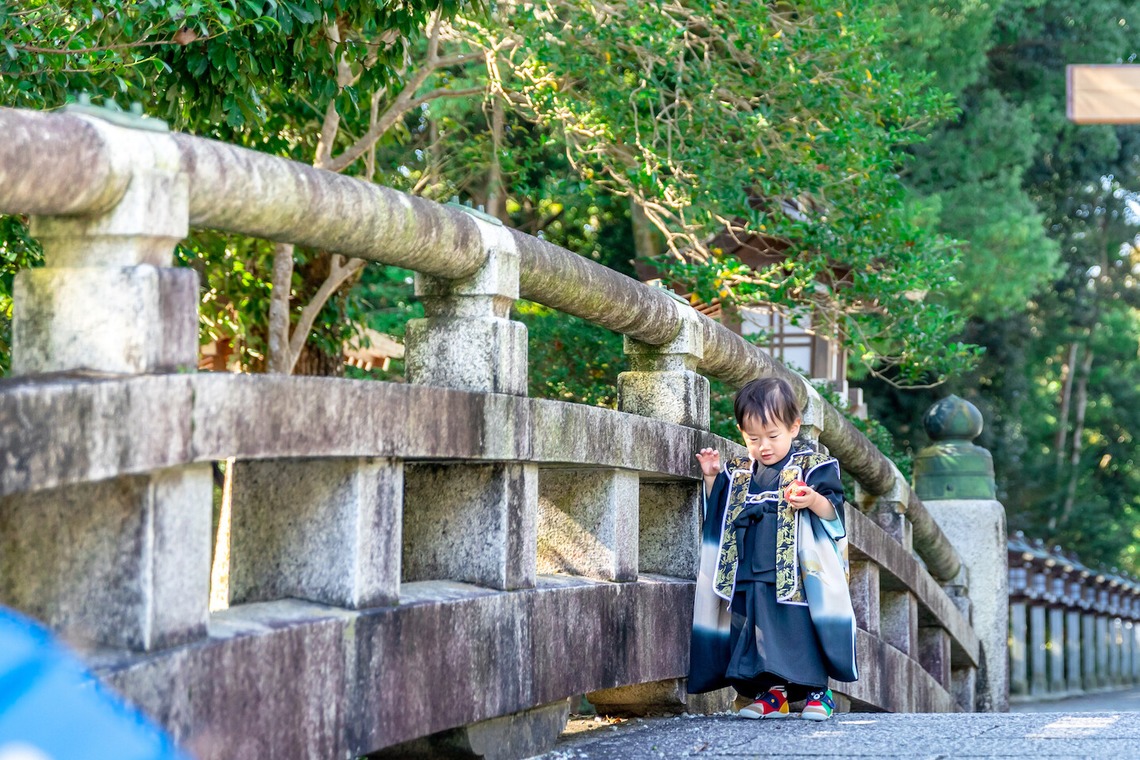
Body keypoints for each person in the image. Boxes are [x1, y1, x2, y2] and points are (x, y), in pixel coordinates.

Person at [687, 376, 858, 721]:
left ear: (794, 427)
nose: (764, 446)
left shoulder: (812, 467)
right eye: (753, 438)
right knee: (756, 629)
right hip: (748, 568)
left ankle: (817, 692)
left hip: (797, 573)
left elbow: (834, 512)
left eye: (773, 436)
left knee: (800, 629)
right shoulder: (739, 473)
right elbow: (718, 514)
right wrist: (710, 478)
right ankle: (772, 694)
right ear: (741, 433)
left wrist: (812, 499)